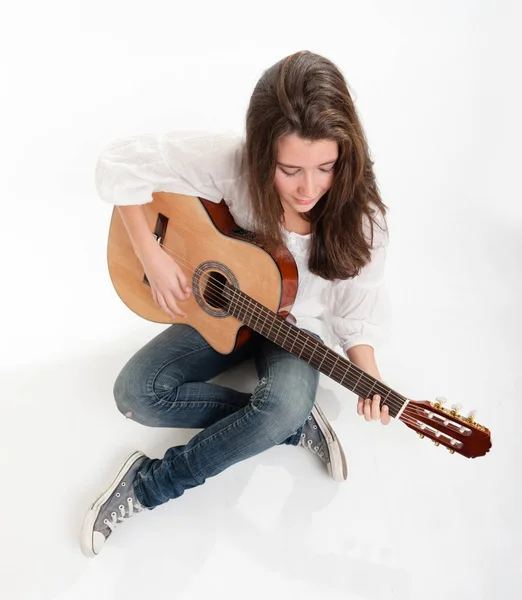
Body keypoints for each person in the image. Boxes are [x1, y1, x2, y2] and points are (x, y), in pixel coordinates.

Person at [81, 50, 391, 558]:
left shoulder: (364, 220)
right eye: (289, 169)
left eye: (326, 168)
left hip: (297, 331)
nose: (308, 188)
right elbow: (119, 163)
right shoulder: (230, 164)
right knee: (136, 394)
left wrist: (370, 376)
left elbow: (355, 313)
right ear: (261, 153)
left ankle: (148, 485)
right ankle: (287, 426)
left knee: (281, 403)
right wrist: (152, 254)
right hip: (222, 310)